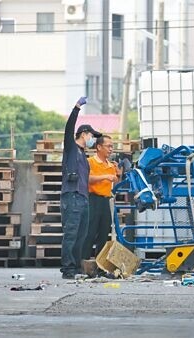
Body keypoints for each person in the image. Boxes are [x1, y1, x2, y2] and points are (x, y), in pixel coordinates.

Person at [60, 96, 102, 279]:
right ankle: (67, 269)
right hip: (72, 197)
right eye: (91, 135)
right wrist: (76, 108)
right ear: (84, 134)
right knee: (71, 234)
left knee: (81, 236)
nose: (93, 139)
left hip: (83, 198)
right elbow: (69, 129)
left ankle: (76, 268)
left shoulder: (84, 156)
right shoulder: (71, 148)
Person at [82, 135, 119, 260]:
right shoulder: (90, 162)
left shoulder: (111, 165)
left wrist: (119, 174)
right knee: (90, 232)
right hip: (93, 199)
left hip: (106, 200)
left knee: (104, 233)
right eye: (108, 146)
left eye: (112, 147)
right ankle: (84, 262)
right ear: (98, 147)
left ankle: (100, 264)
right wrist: (105, 176)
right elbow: (87, 179)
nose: (110, 149)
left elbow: (115, 183)